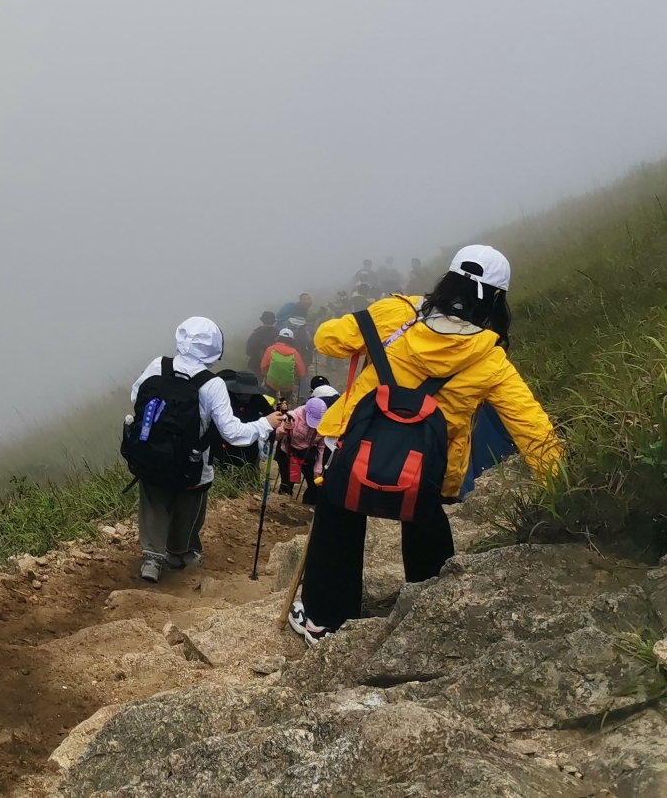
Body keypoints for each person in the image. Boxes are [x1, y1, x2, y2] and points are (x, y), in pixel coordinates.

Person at [292, 245, 562, 644]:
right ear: (498, 300)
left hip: (357, 450)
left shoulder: (396, 313)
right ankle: (429, 619)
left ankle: (323, 619)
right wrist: (563, 486)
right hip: (424, 472)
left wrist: (375, 323)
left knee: (339, 511)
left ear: (448, 280)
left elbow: (328, 340)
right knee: (425, 519)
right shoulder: (490, 358)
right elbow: (532, 428)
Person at [126, 317, 277, 583]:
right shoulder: (212, 383)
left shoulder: (158, 365)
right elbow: (232, 432)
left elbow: (136, 398)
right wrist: (266, 424)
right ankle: (178, 553)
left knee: (154, 501)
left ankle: (151, 559)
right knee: (189, 505)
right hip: (192, 462)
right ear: (215, 348)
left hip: (151, 454)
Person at [262, 327, 305, 406]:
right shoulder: (295, 353)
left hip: (271, 382)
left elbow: (263, 366)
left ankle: (269, 413)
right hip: (287, 385)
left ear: (279, 337)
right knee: (283, 404)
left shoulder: (271, 349)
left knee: (269, 402)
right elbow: (301, 373)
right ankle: (282, 414)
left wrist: (266, 374)